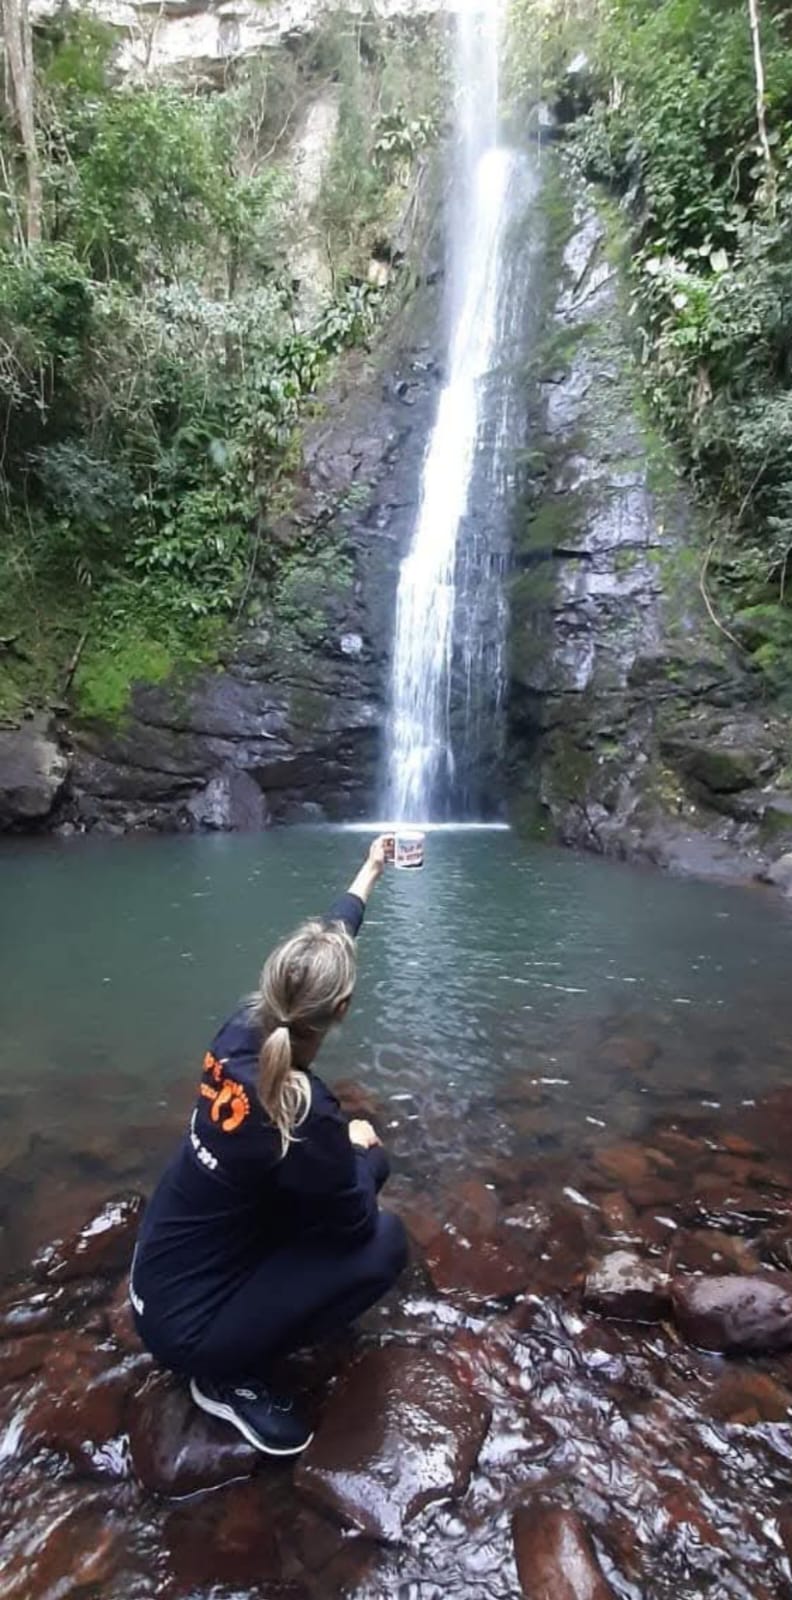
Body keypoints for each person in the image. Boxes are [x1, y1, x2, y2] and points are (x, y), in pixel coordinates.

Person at [130, 836, 407, 1457]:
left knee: (328, 1182)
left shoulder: (239, 1029)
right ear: (343, 1008)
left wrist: (371, 870)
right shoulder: (303, 1112)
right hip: (183, 1330)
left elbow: (330, 940)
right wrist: (363, 1152)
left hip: (157, 1272)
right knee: (385, 1238)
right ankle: (226, 1379)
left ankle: (239, 1325)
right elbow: (354, 1221)